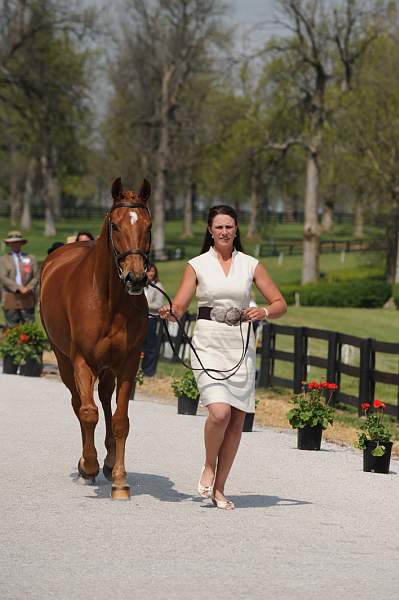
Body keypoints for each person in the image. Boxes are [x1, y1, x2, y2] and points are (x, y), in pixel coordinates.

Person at [159, 205, 287, 510]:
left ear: (237, 229)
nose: (224, 232)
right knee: (219, 412)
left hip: (240, 343)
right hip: (208, 342)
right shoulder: (197, 265)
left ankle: (219, 488)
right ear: (209, 230)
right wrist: (170, 312)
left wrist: (265, 311)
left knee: (237, 418)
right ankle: (208, 464)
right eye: (219, 227)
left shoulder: (250, 264)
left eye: (229, 226)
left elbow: (280, 302)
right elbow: (179, 304)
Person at [0, 230, 39, 327]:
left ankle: (29, 342)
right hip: (10, 294)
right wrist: (18, 287)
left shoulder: (31, 258)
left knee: (29, 323)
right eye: (12, 242)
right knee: (12, 324)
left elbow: (37, 275)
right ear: (9, 244)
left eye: (17, 242)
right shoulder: (3, 260)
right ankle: (13, 342)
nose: (15, 244)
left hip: (27, 294)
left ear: (21, 243)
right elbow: (3, 277)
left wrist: (28, 287)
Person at [142, 263, 165, 377]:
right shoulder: (140, 285)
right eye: (148, 271)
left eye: (152, 271)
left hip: (151, 319)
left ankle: (149, 371)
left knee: (150, 346)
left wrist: (144, 305)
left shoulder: (158, 286)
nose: (150, 273)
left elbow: (159, 304)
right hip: (137, 320)